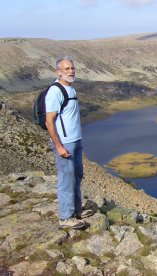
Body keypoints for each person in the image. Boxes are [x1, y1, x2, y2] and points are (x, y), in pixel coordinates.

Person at [45, 56, 92, 229]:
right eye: (66, 69)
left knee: (77, 175)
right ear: (58, 72)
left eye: (72, 68)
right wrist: (58, 146)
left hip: (76, 140)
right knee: (66, 178)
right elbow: (49, 122)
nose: (71, 71)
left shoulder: (71, 89)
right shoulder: (55, 91)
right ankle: (65, 217)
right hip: (65, 143)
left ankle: (76, 210)